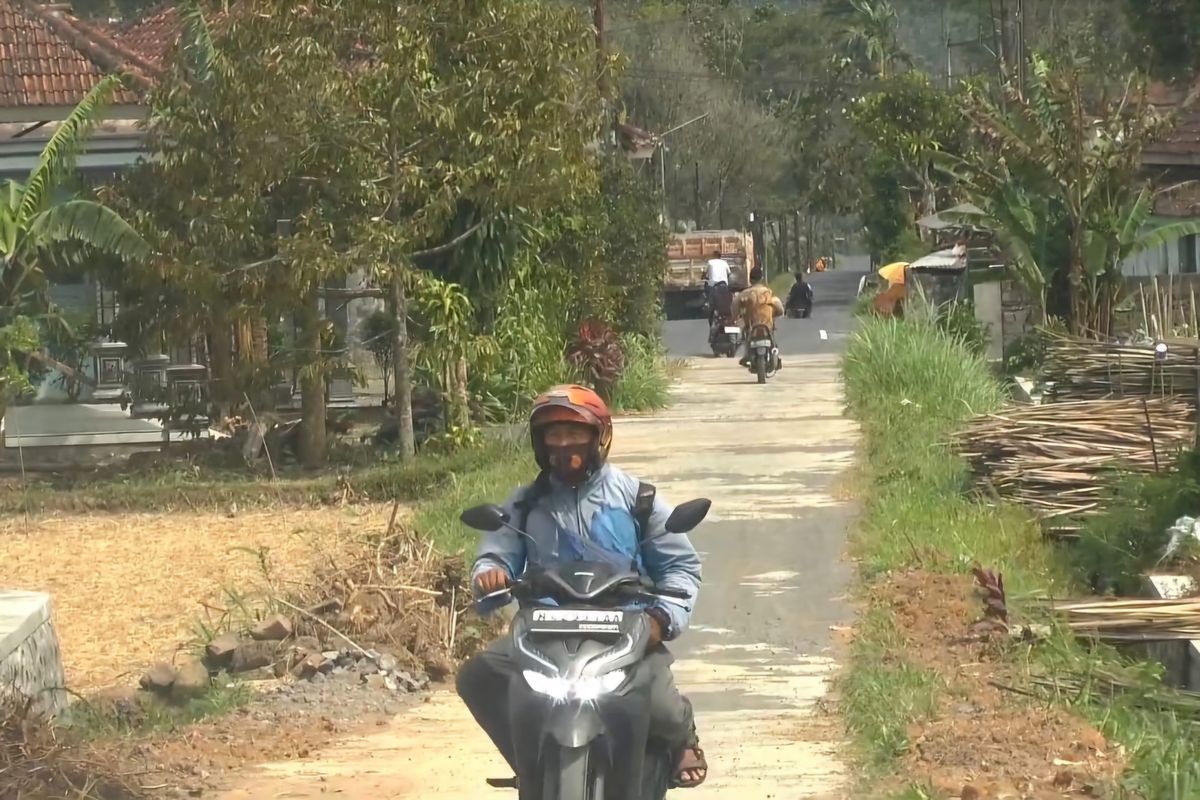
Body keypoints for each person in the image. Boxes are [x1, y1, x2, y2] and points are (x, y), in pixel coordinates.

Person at [456, 385, 709, 789]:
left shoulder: (637, 499)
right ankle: (531, 764)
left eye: (575, 433)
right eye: (552, 435)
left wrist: (660, 619)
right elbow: (496, 554)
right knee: (478, 677)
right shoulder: (522, 505)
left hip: (624, 629)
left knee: (660, 707)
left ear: (600, 436)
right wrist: (490, 573)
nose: (563, 444)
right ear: (540, 444)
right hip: (544, 631)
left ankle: (683, 741)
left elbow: (680, 566)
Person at [733, 266, 784, 367]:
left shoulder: (745, 294)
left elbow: (734, 305)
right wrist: (777, 313)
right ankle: (775, 354)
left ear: (750, 280)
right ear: (761, 279)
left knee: (746, 335)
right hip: (767, 325)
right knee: (772, 336)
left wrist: (736, 316)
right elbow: (779, 307)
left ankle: (747, 354)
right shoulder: (768, 293)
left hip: (751, 326)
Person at [704, 249, 732, 325]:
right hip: (724, 287)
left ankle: (708, 305)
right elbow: (729, 274)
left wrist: (704, 276)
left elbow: (705, 274)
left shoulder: (710, 262)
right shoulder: (725, 263)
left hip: (714, 288)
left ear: (714, 255)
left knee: (711, 309)